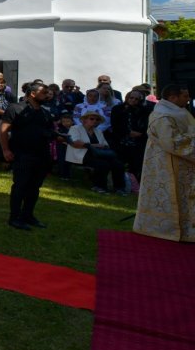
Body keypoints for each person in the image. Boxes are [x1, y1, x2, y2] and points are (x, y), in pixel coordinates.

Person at [133, 85, 195, 241]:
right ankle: (169, 230)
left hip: (183, 164)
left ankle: (187, 230)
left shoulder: (179, 112)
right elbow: (172, 143)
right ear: (173, 97)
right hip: (167, 165)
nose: (188, 99)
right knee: (171, 196)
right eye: (185, 96)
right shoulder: (162, 116)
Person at [0, 82, 56, 231]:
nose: (47, 95)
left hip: (41, 155)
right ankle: (14, 217)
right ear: (33, 93)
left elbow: (48, 131)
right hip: (22, 154)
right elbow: (4, 130)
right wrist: (5, 150)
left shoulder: (44, 112)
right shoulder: (15, 108)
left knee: (34, 187)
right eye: (43, 92)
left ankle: (28, 215)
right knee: (20, 186)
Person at [64, 110, 127, 194]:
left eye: (97, 120)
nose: (95, 121)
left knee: (118, 164)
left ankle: (119, 188)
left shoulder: (98, 131)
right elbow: (75, 143)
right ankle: (99, 186)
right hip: (81, 155)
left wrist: (98, 146)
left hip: (97, 154)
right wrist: (93, 145)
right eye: (92, 119)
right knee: (103, 164)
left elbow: (105, 145)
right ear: (84, 120)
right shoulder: (75, 128)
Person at [109, 89, 152, 182]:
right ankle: (119, 186)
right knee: (119, 164)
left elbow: (147, 125)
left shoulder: (144, 111)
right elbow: (115, 125)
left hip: (138, 142)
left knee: (136, 165)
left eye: (136, 99)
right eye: (131, 98)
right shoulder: (118, 109)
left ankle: (136, 186)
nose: (133, 100)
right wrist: (127, 132)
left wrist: (140, 133)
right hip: (120, 141)